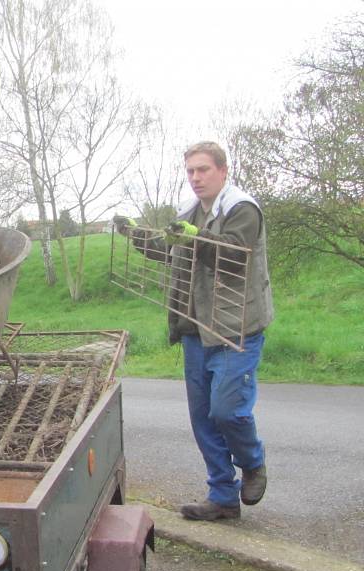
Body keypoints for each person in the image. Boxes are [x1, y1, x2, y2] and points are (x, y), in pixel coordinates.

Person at [115, 141, 273, 521]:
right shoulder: (188, 212)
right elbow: (170, 249)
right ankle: (222, 496)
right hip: (195, 329)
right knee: (202, 417)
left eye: (203, 170)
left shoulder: (241, 210)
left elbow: (234, 256)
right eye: (190, 171)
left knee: (228, 411)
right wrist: (135, 233)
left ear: (222, 170)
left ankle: (252, 463)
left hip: (236, 329)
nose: (196, 178)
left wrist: (192, 237)